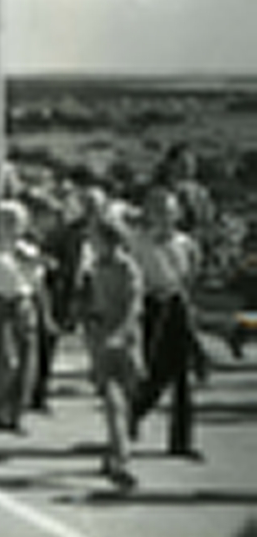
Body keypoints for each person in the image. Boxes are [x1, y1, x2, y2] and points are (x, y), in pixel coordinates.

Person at [129, 187, 203, 458]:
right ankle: (134, 411)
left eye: (169, 211)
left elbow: (191, 275)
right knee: (155, 370)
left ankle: (181, 441)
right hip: (151, 305)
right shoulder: (139, 241)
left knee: (182, 374)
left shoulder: (185, 243)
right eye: (157, 211)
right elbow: (134, 275)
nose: (163, 217)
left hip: (176, 304)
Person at [78, 201, 145, 491]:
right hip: (101, 337)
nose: (92, 245)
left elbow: (134, 305)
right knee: (113, 400)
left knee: (125, 401)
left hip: (126, 339)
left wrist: (122, 332)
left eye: (96, 240)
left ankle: (114, 450)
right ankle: (122, 461)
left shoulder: (127, 268)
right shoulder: (93, 268)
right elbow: (88, 302)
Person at [0, 200, 43, 433]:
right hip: (0, 304)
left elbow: (36, 282)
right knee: (4, 361)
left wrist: (28, 260)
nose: (9, 226)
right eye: (5, 221)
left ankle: (18, 413)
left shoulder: (29, 251)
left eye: (14, 222)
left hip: (23, 303)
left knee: (27, 360)